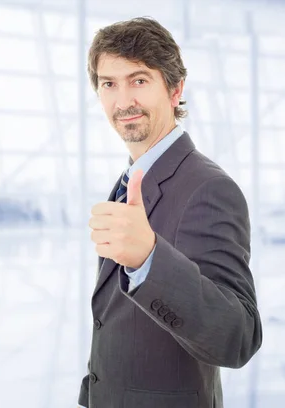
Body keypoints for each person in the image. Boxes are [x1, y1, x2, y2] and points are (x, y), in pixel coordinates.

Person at [79, 17, 262, 408]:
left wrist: (149, 259)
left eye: (139, 80)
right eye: (109, 83)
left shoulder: (209, 188)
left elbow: (238, 336)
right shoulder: (133, 179)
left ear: (175, 89)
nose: (122, 100)